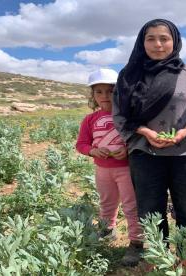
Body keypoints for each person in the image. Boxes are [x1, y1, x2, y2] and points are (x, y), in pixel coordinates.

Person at [112, 19, 186, 242]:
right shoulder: (129, 75)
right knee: (150, 210)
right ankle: (159, 257)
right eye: (151, 39)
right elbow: (119, 114)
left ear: (175, 41)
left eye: (164, 39)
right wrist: (147, 133)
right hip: (145, 151)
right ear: (142, 42)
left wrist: (185, 132)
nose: (158, 44)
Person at [75, 68, 143, 267]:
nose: (105, 96)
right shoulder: (89, 120)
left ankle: (137, 242)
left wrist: (128, 149)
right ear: (93, 95)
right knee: (107, 202)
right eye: (99, 92)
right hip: (103, 169)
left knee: (131, 205)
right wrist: (93, 151)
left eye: (111, 91)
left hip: (127, 169)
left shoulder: (128, 117)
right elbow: (81, 144)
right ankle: (107, 229)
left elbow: (138, 138)